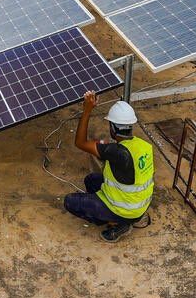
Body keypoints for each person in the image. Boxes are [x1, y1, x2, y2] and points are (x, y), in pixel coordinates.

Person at [63, 90, 155, 243]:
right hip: (140, 206)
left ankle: (118, 223)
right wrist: (107, 151)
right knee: (91, 180)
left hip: (126, 211)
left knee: (70, 201)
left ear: (112, 127)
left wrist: (87, 110)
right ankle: (120, 217)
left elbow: (80, 142)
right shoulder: (143, 146)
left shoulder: (116, 152)